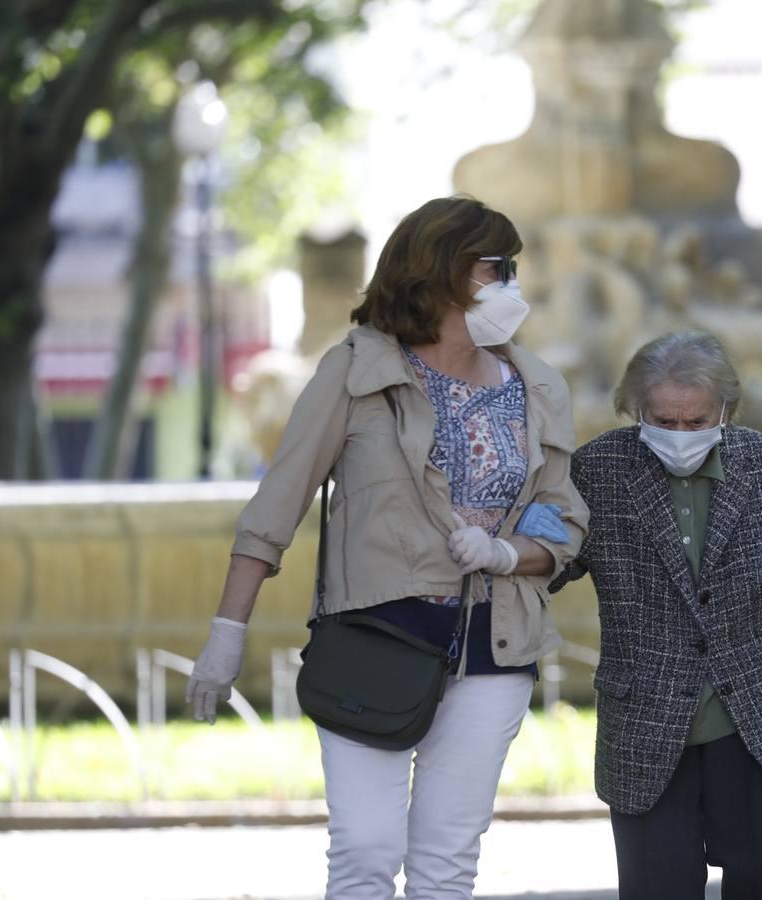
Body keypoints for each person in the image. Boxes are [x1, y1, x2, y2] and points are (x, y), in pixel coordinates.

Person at [185, 196, 588, 900]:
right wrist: (228, 628)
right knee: (366, 854)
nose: (512, 281)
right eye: (498, 267)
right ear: (443, 271)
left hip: (496, 643)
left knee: (445, 864)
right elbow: (277, 503)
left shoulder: (537, 385)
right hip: (377, 637)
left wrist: (509, 551)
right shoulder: (357, 371)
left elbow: (563, 519)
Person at [551, 330, 762, 900]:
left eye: (695, 421)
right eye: (662, 420)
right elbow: (555, 572)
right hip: (646, 720)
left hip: (755, 720)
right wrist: (535, 538)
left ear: (724, 411)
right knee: (655, 889)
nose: (679, 434)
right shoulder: (598, 469)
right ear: (636, 410)